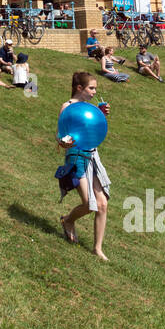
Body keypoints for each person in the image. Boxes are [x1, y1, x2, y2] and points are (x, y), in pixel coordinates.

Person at [57, 71, 111, 260]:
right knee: (90, 204)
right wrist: (66, 142)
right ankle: (68, 220)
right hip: (77, 157)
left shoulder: (89, 108)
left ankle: (97, 248)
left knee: (102, 204)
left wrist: (101, 116)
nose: (95, 92)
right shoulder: (69, 107)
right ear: (80, 88)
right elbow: (60, 137)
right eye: (91, 88)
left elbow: (93, 131)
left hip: (93, 156)